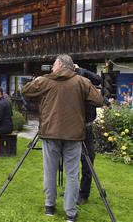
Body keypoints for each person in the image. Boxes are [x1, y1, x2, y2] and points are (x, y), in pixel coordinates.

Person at [22, 55, 103, 222]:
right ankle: (70, 213)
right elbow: (99, 100)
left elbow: (26, 90)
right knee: (72, 174)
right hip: (74, 134)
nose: (52, 68)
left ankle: (49, 207)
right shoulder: (81, 81)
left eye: (53, 65)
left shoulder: (45, 81)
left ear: (59, 65)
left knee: (50, 171)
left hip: (51, 132)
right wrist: (81, 74)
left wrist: (39, 79)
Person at [74, 65, 102, 205]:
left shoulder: (90, 87)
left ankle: (84, 194)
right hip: (73, 129)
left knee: (87, 162)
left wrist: (82, 70)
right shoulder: (72, 85)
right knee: (71, 162)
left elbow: (99, 79)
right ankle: (73, 190)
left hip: (87, 129)